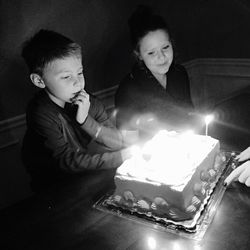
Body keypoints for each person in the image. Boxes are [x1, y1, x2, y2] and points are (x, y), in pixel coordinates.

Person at [21, 29, 136, 191]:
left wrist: (85, 121)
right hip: (53, 187)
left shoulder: (89, 102)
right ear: (39, 80)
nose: (78, 83)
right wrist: (120, 157)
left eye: (80, 72)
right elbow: (65, 160)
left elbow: (115, 141)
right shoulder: (41, 112)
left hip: (85, 180)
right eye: (66, 77)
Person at [115, 5, 197, 139]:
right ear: (139, 55)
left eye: (165, 47)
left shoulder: (179, 74)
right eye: (151, 52)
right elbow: (129, 143)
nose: (161, 57)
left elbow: (191, 116)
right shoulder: (128, 91)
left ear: (172, 44)